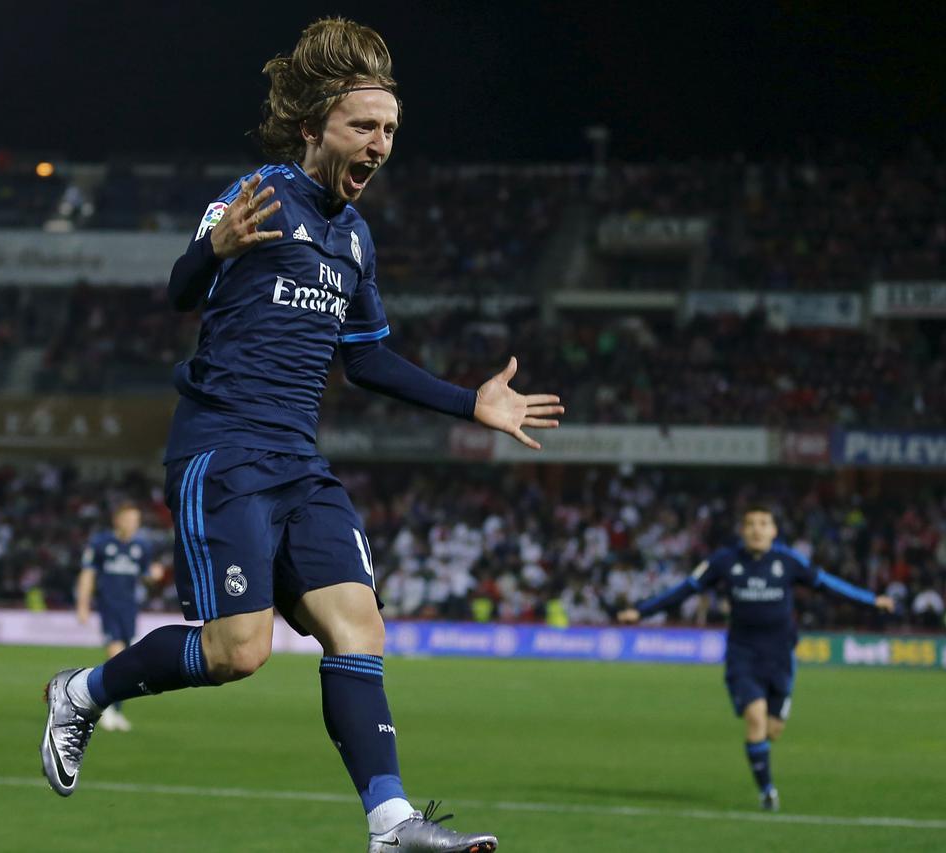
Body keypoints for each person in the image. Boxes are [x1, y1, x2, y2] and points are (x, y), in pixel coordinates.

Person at [40, 18, 564, 853]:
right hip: (224, 447)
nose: (381, 143)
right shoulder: (259, 194)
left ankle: (390, 823)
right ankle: (83, 691)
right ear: (315, 124)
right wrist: (213, 247)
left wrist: (473, 404)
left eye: (390, 129)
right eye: (365, 126)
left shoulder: (355, 238)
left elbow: (367, 360)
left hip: (298, 461)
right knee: (238, 652)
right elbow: (181, 289)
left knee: (359, 624)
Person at [617, 505, 894, 811]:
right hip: (742, 655)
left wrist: (871, 601)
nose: (757, 529)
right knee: (755, 719)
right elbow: (684, 590)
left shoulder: (788, 561)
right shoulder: (724, 561)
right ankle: (767, 792)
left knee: (772, 729)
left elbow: (828, 585)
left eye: (764, 523)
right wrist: (641, 611)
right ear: (742, 530)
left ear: (774, 531)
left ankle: (762, 761)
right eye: (750, 524)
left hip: (781, 657)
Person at [74, 501, 165, 731]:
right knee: (116, 655)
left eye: (137, 521)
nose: (134, 525)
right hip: (109, 607)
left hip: (130, 610)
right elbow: (88, 575)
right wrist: (83, 604)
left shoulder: (141, 546)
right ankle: (106, 708)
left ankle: (113, 710)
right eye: (130, 520)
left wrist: (153, 576)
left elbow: (145, 576)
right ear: (118, 520)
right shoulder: (101, 543)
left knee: (124, 661)